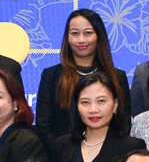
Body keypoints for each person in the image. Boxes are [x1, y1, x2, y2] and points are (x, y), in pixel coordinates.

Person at [33, 9, 131, 141]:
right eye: (75, 33)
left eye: (88, 33)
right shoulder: (51, 76)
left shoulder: (117, 77)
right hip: (60, 152)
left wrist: (99, 151)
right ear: (67, 38)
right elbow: (44, 128)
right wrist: (65, 150)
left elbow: (124, 124)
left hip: (108, 152)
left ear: (99, 36)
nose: (81, 40)